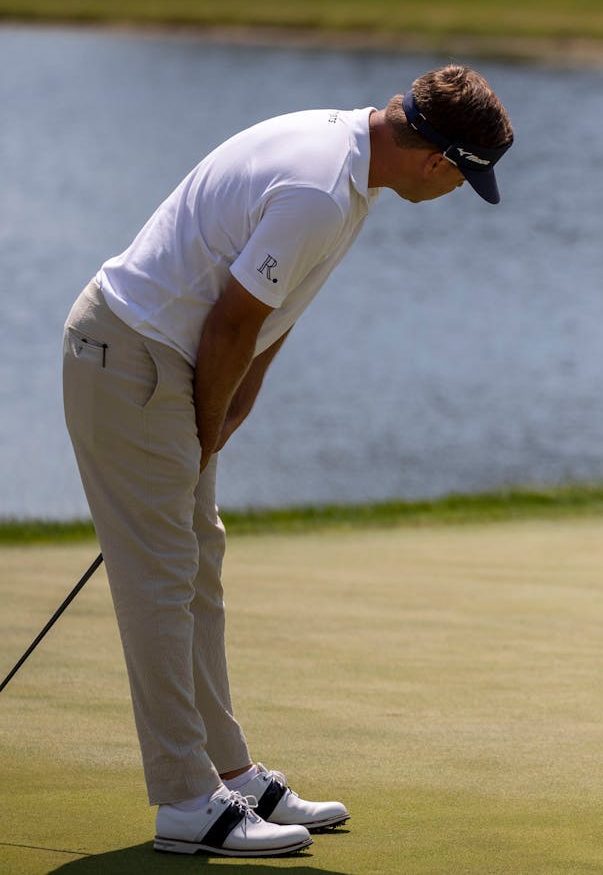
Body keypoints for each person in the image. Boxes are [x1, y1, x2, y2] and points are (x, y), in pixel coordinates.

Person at [61, 64, 514, 857]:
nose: (452, 200)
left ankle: (228, 770)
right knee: (163, 575)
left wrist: (236, 407)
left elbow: (271, 314)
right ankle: (185, 799)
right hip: (131, 355)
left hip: (164, 358)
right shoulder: (320, 190)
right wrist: (206, 424)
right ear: (442, 163)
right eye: (462, 186)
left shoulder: (353, 168)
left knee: (197, 560)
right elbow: (230, 326)